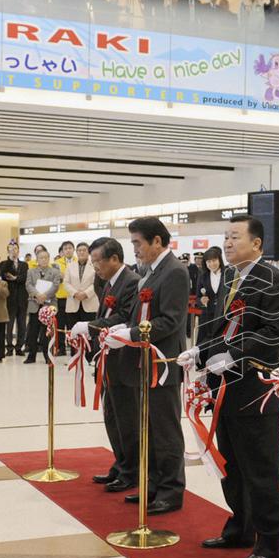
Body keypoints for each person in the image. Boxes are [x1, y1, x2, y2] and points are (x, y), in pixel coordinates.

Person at [179, 215, 279, 558]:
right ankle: (239, 527)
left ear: (256, 244)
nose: (227, 243)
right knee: (231, 462)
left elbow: (274, 331)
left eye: (234, 237)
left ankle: (269, 542)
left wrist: (234, 354)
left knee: (260, 466)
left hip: (254, 385)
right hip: (223, 383)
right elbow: (216, 321)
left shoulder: (272, 278)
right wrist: (202, 350)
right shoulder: (228, 276)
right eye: (225, 237)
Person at [105, 217, 188, 515]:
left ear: (157, 241)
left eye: (138, 243)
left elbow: (170, 320)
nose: (135, 249)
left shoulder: (175, 272)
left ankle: (171, 489)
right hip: (144, 360)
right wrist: (122, 331)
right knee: (149, 427)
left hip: (162, 362)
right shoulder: (151, 272)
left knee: (165, 429)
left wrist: (132, 334)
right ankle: (153, 482)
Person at [74, 237, 141, 492]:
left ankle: (131, 470)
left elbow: (124, 318)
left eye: (97, 261)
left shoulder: (131, 282)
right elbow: (106, 315)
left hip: (124, 361)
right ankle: (121, 463)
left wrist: (91, 327)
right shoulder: (109, 282)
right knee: (112, 416)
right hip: (107, 360)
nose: (95, 267)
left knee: (126, 418)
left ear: (114, 259)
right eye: (92, 262)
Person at [24, 250, 62, 364]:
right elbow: (28, 284)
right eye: (41, 258)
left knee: (47, 331)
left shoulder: (55, 272)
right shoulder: (31, 271)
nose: (44, 260)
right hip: (34, 303)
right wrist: (37, 295)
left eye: (46, 257)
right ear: (37, 259)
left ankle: (47, 355)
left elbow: (55, 286)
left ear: (49, 258)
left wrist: (45, 296)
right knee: (32, 331)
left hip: (49, 305)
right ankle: (31, 355)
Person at [63, 242, 99, 354]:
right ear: (76, 252)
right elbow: (66, 283)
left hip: (89, 303)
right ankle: (75, 355)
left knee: (89, 332)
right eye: (79, 250)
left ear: (88, 252)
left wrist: (85, 293)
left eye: (84, 250)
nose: (81, 252)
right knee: (74, 332)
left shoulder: (94, 265)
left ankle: (89, 356)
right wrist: (75, 293)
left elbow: (96, 283)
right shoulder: (70, 266)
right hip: (73, 303)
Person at [2, 241, 28, 356]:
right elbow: (4, 275)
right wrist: (10, 260)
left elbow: (24, 278)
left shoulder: (24, 265)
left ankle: (19, 347)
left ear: (18, 250)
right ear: (8, 251)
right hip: (9, 299)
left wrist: (15, 278)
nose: (14, 251)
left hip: (22, 299)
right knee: (9, 325)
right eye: (11, 249)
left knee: (22, 324)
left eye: (16, 249)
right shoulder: (4, 263)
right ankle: (9, 347)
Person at [195, 247, 225, 343]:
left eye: (214, 260)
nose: (211, 264)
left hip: (223, 316)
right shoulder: (203, 277)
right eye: (208, 262)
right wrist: (201, 301)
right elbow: (198, 297)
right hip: (207, 317)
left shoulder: (228, 273)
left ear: (219, 259)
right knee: (204, 346)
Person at [54, 241, 76, 335]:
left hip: (74, 298)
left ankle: (74, 349)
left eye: (70, 248)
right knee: (60, 325)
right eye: (65, 248)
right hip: (60, 298)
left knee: (73, 325)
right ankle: (61, 348)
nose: (68, 250)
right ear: (62, 251)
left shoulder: (78, 261)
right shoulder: (56, 264)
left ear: (73, 250)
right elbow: (53, 281)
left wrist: (66, 277)